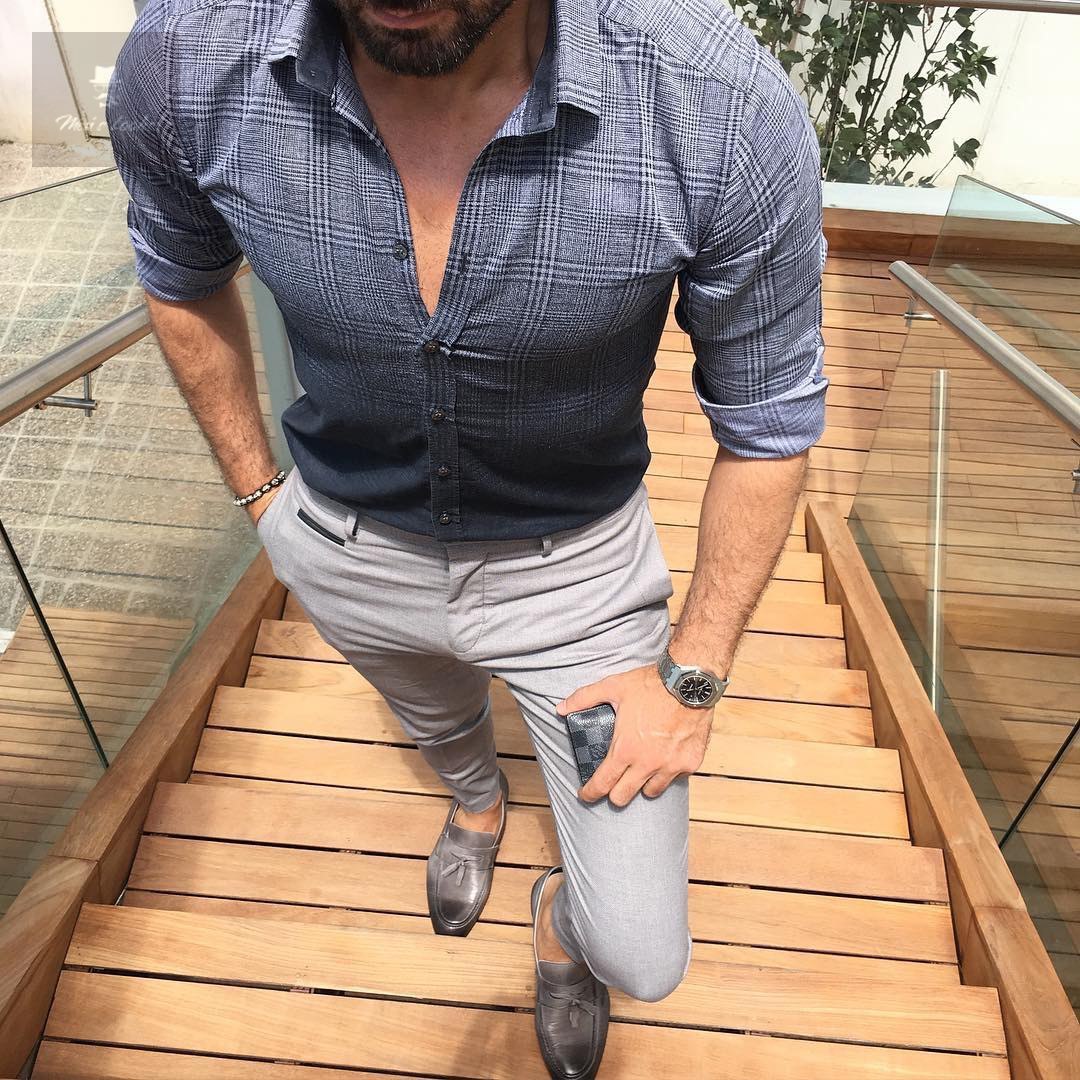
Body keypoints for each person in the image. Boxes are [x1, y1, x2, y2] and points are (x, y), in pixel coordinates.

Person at [106, 0, 828, 1074]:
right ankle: (478, 804)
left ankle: (564, 925)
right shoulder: (184, 58)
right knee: (435, 716)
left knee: (641, 952)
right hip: (345, 540)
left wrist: (694, 676)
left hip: (576, 575)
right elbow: (179, 273)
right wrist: (264, 500)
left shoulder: (715, 102)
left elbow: (768, 421)